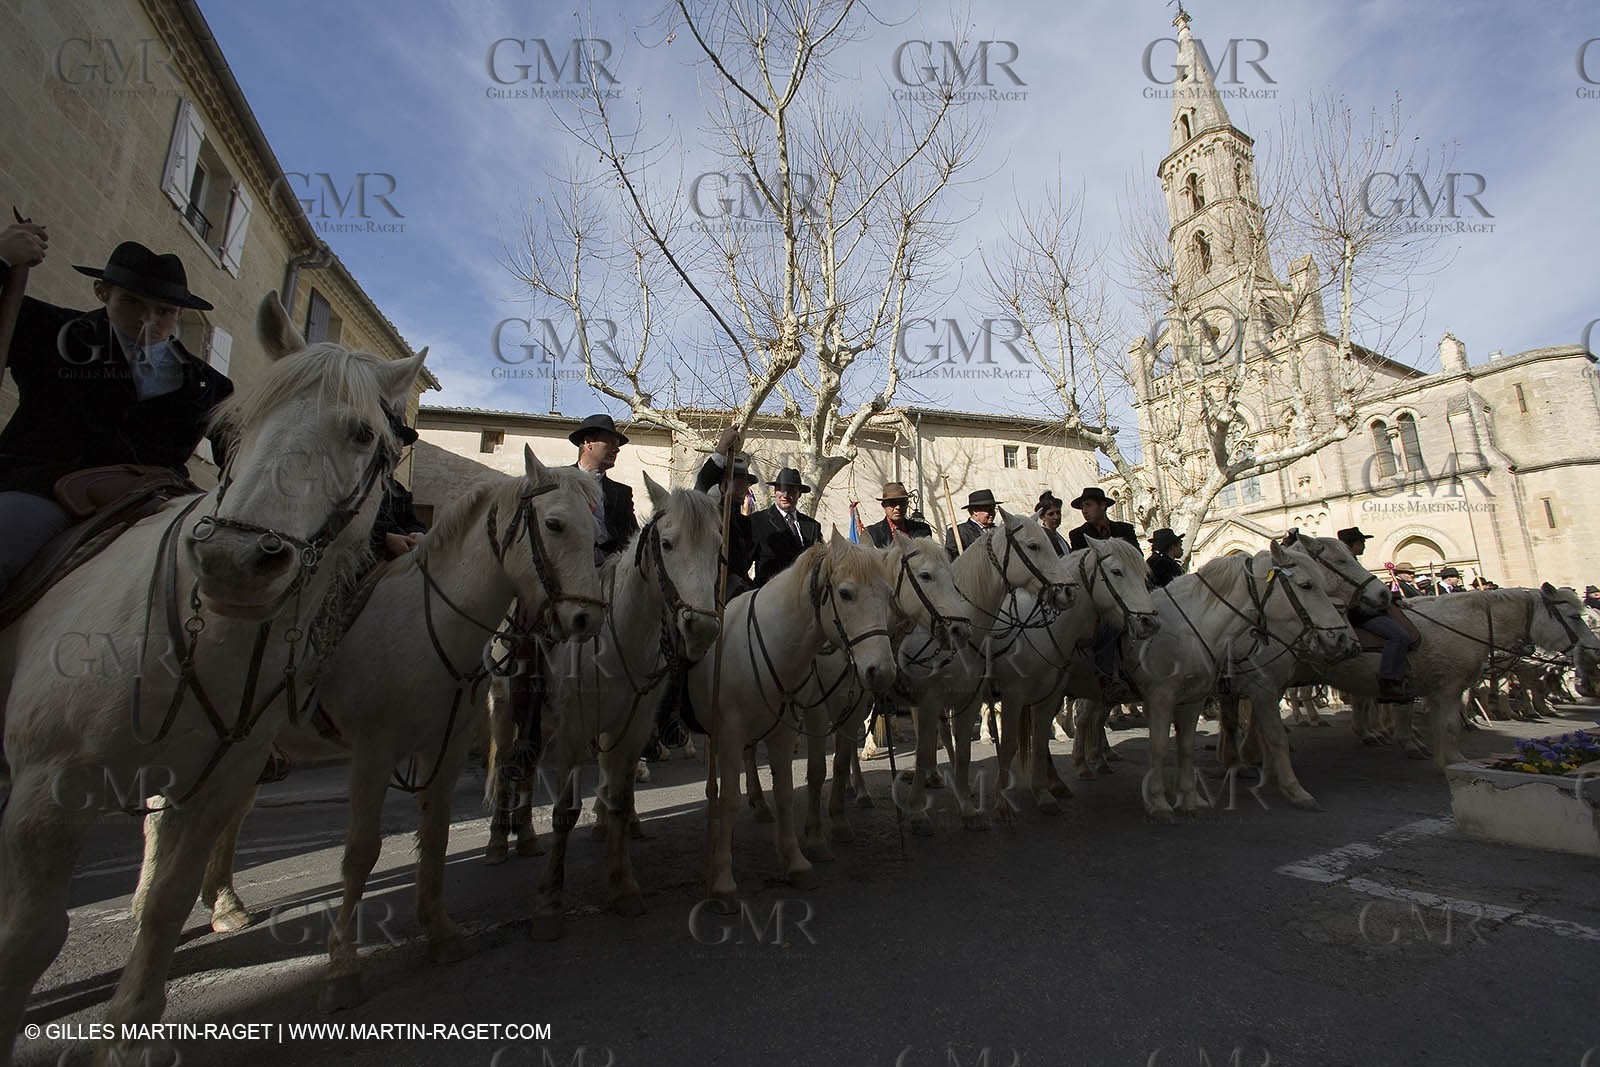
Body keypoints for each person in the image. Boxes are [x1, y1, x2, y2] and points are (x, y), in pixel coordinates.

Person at [0, 232, 234, 592]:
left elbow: (239, 449)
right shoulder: (46, 330)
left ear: (179, 313)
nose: (147, 319)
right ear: (102, 292)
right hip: (43, 490)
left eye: (164, 311)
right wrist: (1, 258)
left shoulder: (208, 383)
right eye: (132, 302)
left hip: (156, 508)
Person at [1339, 527, 1412, 702]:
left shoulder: (1352, 561)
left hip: (1365, 608)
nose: (1364, 546)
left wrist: (1390, 596)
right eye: (1361, 542)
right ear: (1353, 544)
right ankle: (1388, 680)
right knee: (1399, 636)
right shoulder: (1346, 563)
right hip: (1360, 612)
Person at [693, 426, 757, 596]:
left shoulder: (744, 520)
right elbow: (702, 484)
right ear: (724, 483)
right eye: (738, 482)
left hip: (739, 586)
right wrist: (722, 448)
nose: (743, 488)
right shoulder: (711, 510)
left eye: (746, 483)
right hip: (712, 586)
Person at [370, 408, 426, 560]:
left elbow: (411, 521)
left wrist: (418, 534)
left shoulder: (398, 490)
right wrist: (385, 538)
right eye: (390, 451)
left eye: (399, 453)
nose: (395, 458)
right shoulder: (354, 485)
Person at [750, 467, 821, 586]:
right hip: (769, 596)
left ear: (799, 494)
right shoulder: (758, 521)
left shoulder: (812, 526)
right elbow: (742, 563)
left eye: (791, 491)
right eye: (781, 490)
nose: (785, 495)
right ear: (775, 492)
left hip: (802, 596)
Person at [1066, 486, 1139, 551]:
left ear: (1102, 505)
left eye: (1088, 505)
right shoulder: (1078, 535)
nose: (1084, 511)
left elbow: (1137, 556)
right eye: (1082, 507)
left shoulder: (1125, 529)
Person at [865, 481, 932, 547]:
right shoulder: (872, 533)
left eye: (902, 503)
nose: (898, 507)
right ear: (884, 505)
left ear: (907, 504)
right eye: (892, 503)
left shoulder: (923, 530)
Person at [944, 488, 1001, 559]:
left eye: (993, 509)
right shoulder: (958, 532)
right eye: (988, 510)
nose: (992, 513)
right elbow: (950, 561)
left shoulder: (999, 532)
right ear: (975, 511)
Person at [1034, 491, 1068, 556]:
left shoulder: (1058, 537)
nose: (1056, 517)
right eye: (1051, 514)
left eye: (1058, 513)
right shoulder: (1042, 538)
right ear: (1042, 517)